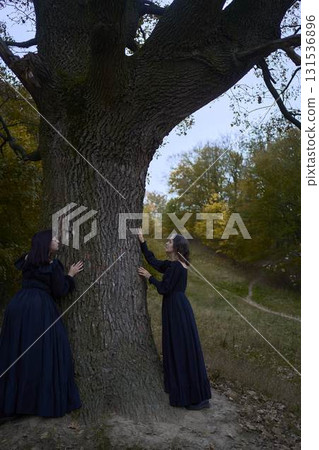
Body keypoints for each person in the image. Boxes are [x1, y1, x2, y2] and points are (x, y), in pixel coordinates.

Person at [0, 229, 84, 418]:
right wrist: (70, 275)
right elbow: (60, 290)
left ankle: (13, 402)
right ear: (46, 243)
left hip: (18, 306)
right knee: (46, 352)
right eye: (54, 239)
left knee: (17, 350)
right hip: (39, 309)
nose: (57, 241)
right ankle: (39, 402)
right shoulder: (53, 265)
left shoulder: (28, 260)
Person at [137, 229, 211, 410]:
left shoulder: (177, 266)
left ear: (177, 247)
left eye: (169, 242)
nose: (166, 243)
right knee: (181, 347)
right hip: (177, 307)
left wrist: (149, 278)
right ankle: (189, 391)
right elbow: (154, 262)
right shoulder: (174, 264)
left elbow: (164, 288)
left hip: (176, 309)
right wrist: (142, 242)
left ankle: (190, 396)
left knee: (179, 347)